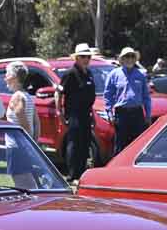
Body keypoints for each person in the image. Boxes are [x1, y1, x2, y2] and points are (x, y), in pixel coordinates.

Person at [59, 44, 98, 178]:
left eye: (88, 56)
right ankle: (72, 174)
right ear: (76, 58)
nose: (86, 59)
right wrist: (60, 113)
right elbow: (58, 93)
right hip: (74, 114)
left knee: (85, 143)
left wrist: (92, 114)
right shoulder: (70, 74)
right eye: (82, 56)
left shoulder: (89, 74)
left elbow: (89, 97)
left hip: (86, 113)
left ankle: (81, 173)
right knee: (74, 144)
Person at [104, 46, 152, 157]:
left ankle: (135, 171)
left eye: (132, 56)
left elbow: (146, 96)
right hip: (122, 114)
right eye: (127, 56)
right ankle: (118, 170)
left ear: (134, 59)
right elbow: (108, 95)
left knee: (138, 145)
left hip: (137, 113)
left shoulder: (140, 75)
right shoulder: (114, 75)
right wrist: (109, 113)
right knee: (120, 145)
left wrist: (148, 114)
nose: (129, 59)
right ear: (122, 59)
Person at [4, 61, 38, 139]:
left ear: (14, 77)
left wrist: (28, 145)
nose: (5, 79)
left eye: (7, 75)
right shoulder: (28, 96)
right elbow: (36, 123)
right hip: (23, 145)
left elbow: (24, 126)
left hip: (16, 145)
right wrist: (34, 142)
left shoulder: (17, 97)